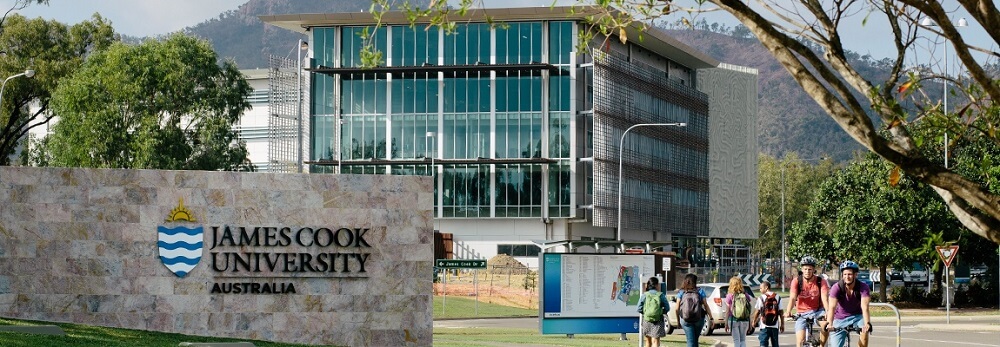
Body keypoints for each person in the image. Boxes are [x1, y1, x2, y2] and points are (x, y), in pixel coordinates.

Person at [785, 255, 829, 347]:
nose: (807, 271)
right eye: (805, 269)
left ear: (814, 270)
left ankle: (822, 345)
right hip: (802, 313)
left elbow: (825, 298)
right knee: (800, 342)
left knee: (825, 325)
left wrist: (828, 312)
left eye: (810, 269)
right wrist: (788, 311)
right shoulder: (797, 281)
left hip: (818, 311)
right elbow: (792, 298)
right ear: (802, 269)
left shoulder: (821, 281)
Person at [826, 260, 872, 347]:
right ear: (842, 275)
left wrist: (867, 324)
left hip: (858, 317)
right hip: (840, 318)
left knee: (864, 334)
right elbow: (832, 308)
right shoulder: (836, 287)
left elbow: (865, 307)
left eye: (850, 274)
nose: (847, 277)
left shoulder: (863, 287)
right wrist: (829, 324)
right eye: (845, 274)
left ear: (855, 275)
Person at [676, 273, 714, 347]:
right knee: (695, 340)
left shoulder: (681, 292)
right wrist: (711, 318)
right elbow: (705, 305)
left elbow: (676, 308)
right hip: (698, 318)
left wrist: (678, 321)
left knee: (690, 340)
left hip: (685, 319)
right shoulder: (700, 291)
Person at [636, 276, 669, 347]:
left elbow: (638, 308)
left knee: (648, 341)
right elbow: (667, 307)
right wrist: (661, 311)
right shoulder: (660, 295)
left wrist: (645, 312)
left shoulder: (645, 295)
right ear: (657, 285)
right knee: (656, 341)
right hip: (658, 320)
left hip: (647, 320)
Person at [751, 281, 783, 347]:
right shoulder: (778, 297)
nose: (760, 290)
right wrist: (782, 324)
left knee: (763, 344)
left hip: (764, 326)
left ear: (766, 288)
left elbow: (757, 311)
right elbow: (781, 312)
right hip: (775, 325)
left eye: (761, 288)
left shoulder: (761, 298)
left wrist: (754, 321)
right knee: (775, 344)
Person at [723, 276, 753, 347]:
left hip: (733, 320)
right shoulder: (746, 295)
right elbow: (748, 310)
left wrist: (726, 323)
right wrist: (750, 323)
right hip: (745, 320)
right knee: (743, 340)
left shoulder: (730, 296)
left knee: (736, 340)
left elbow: (727, 311)